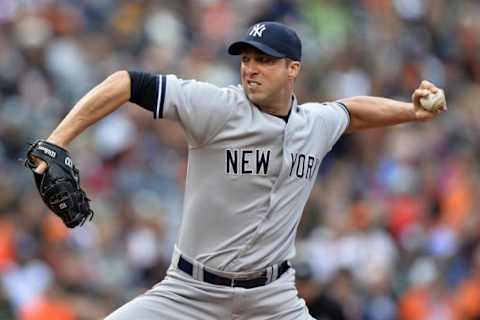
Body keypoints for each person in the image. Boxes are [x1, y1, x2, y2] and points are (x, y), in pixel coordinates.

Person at [32, 21, 446, 319]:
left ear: (293, 69)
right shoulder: (218, 107)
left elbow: (350, 111)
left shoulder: (313, 124)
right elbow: (127, 82)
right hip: (191, 293)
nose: (250, 68)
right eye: (246, 58)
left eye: (264, 60)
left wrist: (409, 112)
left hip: (274, 299)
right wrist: (57, 140)